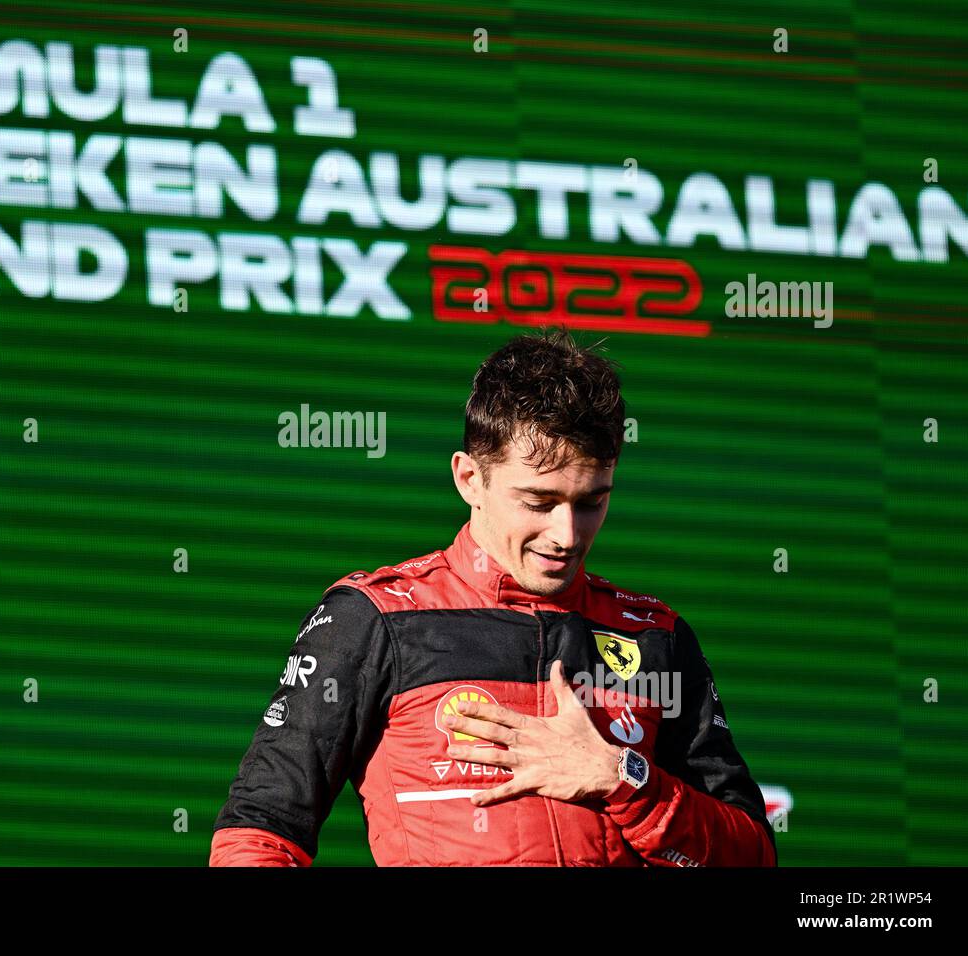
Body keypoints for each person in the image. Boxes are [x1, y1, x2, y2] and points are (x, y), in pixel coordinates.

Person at [209, 329, 777, 867]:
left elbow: (752, 854)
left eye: (591, 502)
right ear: (468, 479)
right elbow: (260, 827)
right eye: (539, 501)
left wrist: (623, 777)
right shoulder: (378, 617)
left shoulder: (655, 636)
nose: (567, 534)